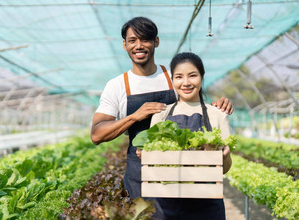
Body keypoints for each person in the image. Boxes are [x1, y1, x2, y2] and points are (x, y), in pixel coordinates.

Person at [91, 16, 233, 219]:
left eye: (145, 39)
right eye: (132, 40)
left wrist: (219, 106)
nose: (139, 46)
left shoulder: (173, 77)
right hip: (142, 178)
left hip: (188, 178)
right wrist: (135, 116)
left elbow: (199, 108)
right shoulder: (117, 86)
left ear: (156, 42)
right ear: (124, 45)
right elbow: (96, 134)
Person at [146, 51, 232, 219]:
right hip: (166, 204)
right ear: (172, 80)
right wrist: (148, 157)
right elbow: (155, 167)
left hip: (207, 205)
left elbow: (225, 169)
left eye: (192, 76)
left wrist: (224, 157)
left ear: (202, 77)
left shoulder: (217, 114)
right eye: (179, 77)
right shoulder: (160, 115)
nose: (185, 83)